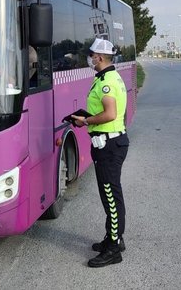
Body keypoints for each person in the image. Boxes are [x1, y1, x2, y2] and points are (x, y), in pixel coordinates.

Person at [71, 38, 129, 268]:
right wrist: (86, 117)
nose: (90, 57)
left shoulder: (107, 82)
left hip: (109, 146)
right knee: (110, 195)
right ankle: (113, 238)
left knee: (111, 197)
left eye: (92, 54)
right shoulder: (107, 78)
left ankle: (114, 248)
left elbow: (110, 114)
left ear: (101, 57)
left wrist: (85, 120)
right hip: (107, 143)